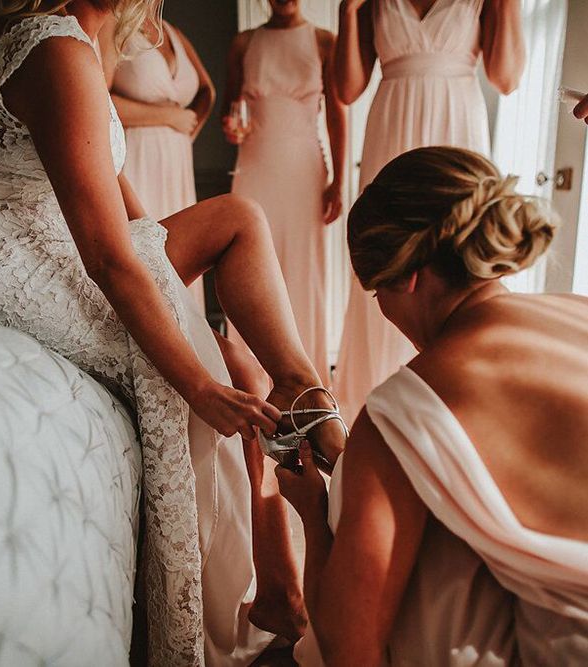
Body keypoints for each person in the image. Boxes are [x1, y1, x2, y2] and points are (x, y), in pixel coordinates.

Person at [0, 1, 346, 663]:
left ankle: (301, 390)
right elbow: (106, 260)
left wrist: (168, 257)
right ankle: (280, 590)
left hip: (48, 237)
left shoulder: (86, 41)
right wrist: (194, 382)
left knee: (236, 239)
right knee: (226, 369)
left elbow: (113, 188)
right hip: (6, 260)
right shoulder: (52, 47)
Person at [278, 146, 588, 666]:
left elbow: (349, 650)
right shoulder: (577, 312)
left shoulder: (404, 409)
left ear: (407, 277)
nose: (382, 309)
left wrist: (314, 512)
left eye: (377, 291)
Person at [331, 0, 525, 423]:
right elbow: (346, 90)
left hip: (456, 119)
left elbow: (506, 78)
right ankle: (374, 409)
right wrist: (348, 12)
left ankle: (463, 405)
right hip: (391, 125)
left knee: (462, 259)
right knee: (390, 258)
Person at [223, 0, 347, 385]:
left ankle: (306, 378)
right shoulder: (244, 43)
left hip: (304, 171)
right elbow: (231, 109)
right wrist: (231, 128)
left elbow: (337, 115)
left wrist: (338, 181)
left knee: (303, 268)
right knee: (250, 263)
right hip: (254, 167)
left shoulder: (324, 41)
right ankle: (249, 377)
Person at [111, 15, 215, 309]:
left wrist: (188, 131)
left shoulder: (172, 31)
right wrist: (169, 117)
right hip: (136, 156)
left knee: (180, 259)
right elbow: (97, 95)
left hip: (175, 161)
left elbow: (208, 90)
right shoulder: (113, 24)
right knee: (144, 254)